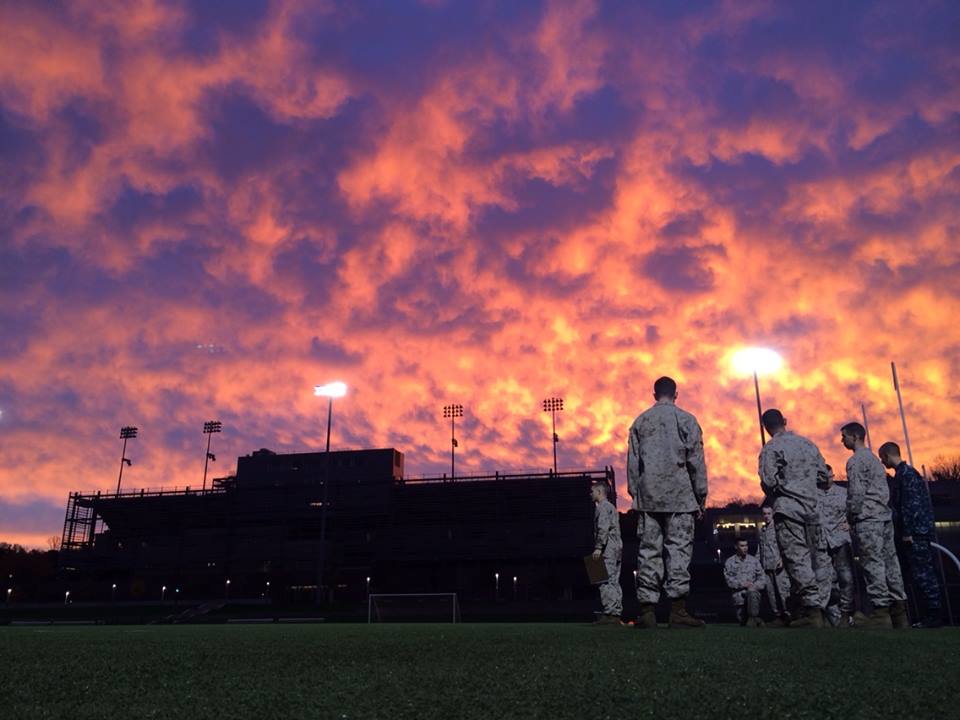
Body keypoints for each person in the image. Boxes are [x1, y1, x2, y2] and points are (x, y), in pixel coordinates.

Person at [627, 376, 708, 629]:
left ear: (654, 395)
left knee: (648, 552)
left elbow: (632, 464)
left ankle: (648, 611)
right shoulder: (687, 420)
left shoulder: (640, 421)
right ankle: (678, 610)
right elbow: (696, 460)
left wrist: (635, 494)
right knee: (679, 552)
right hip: (680, 497)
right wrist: (701, 495)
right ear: (676, 394)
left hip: (648, 497)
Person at [758, 409, 828, 628]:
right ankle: (815, 608)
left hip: (788, 509)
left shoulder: (771, 448)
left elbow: (768, 481)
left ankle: (812, 611)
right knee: (817, 559)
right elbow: (824, 475)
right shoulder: (808, 444)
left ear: (765, 428)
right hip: (813, 509)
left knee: (797, 560)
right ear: (785, 421)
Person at [841, 423, 908, 629]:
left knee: (873, 563)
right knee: (890, 563)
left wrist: (851, 515)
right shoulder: (874, 461)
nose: (842, 440)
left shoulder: (855, 461)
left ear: (855, 436)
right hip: (884, 517)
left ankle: (881, 612)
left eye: (844, 436)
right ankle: (899, 612)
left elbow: (856, 493)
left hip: (868, 519)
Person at [878, 442, 942, 629]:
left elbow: (910, 506)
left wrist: (907, 532)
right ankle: (926, 615)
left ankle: (934, 615)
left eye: (882, 458)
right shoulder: (904, 475)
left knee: (924, 576)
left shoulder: (906, 475)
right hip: (915, 533)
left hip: (915, 535)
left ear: (888, 456)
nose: (883, 462)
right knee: (917, 575)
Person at [817, 465, 856, 626]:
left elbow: (855, 511)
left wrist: (851, 524)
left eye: (829, 476)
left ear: (833, 476)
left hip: (840, 541)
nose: (827, 480)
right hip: (822, 542)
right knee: (825, 581)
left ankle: (846, 613)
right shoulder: (814, 495)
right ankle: (834, 616)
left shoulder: (843, 493)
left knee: (845, 578)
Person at [591, 480, 624, 625]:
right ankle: (615, 613)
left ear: (599, 492)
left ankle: (610, 614)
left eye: (592, 491)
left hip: (607, 549)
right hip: (616, 548)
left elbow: (603, 528)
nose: (590, 494)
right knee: (614, 581)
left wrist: (598, 547)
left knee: (604, 581)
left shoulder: (602, 508)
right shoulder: (612, 507)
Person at [758, 505, 792, 624]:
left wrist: (783, 559)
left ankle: (788, 615)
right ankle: (777, 616)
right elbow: (760, 549)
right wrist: (758, 565)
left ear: (772, 514)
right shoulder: (762, 530)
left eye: (768, 513)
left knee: (783, 592)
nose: (766, 516)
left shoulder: (778, 528)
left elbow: (785, 546)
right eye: (764, 514)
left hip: (778, 566)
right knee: (771, 594)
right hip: (766, 567)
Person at [724, 539, 765, 626]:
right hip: (739, 597)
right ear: (736, 547)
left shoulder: (754, 561)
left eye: (746, 545)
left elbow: (762, 578)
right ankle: (757, 620)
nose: (745, 548)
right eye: (742, 546)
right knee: (742, 620)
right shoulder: (729, 562)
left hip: (753, 595)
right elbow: (729, 580)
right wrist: (742, 584)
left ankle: (753, 618)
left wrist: (754, 586)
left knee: (752, 593)